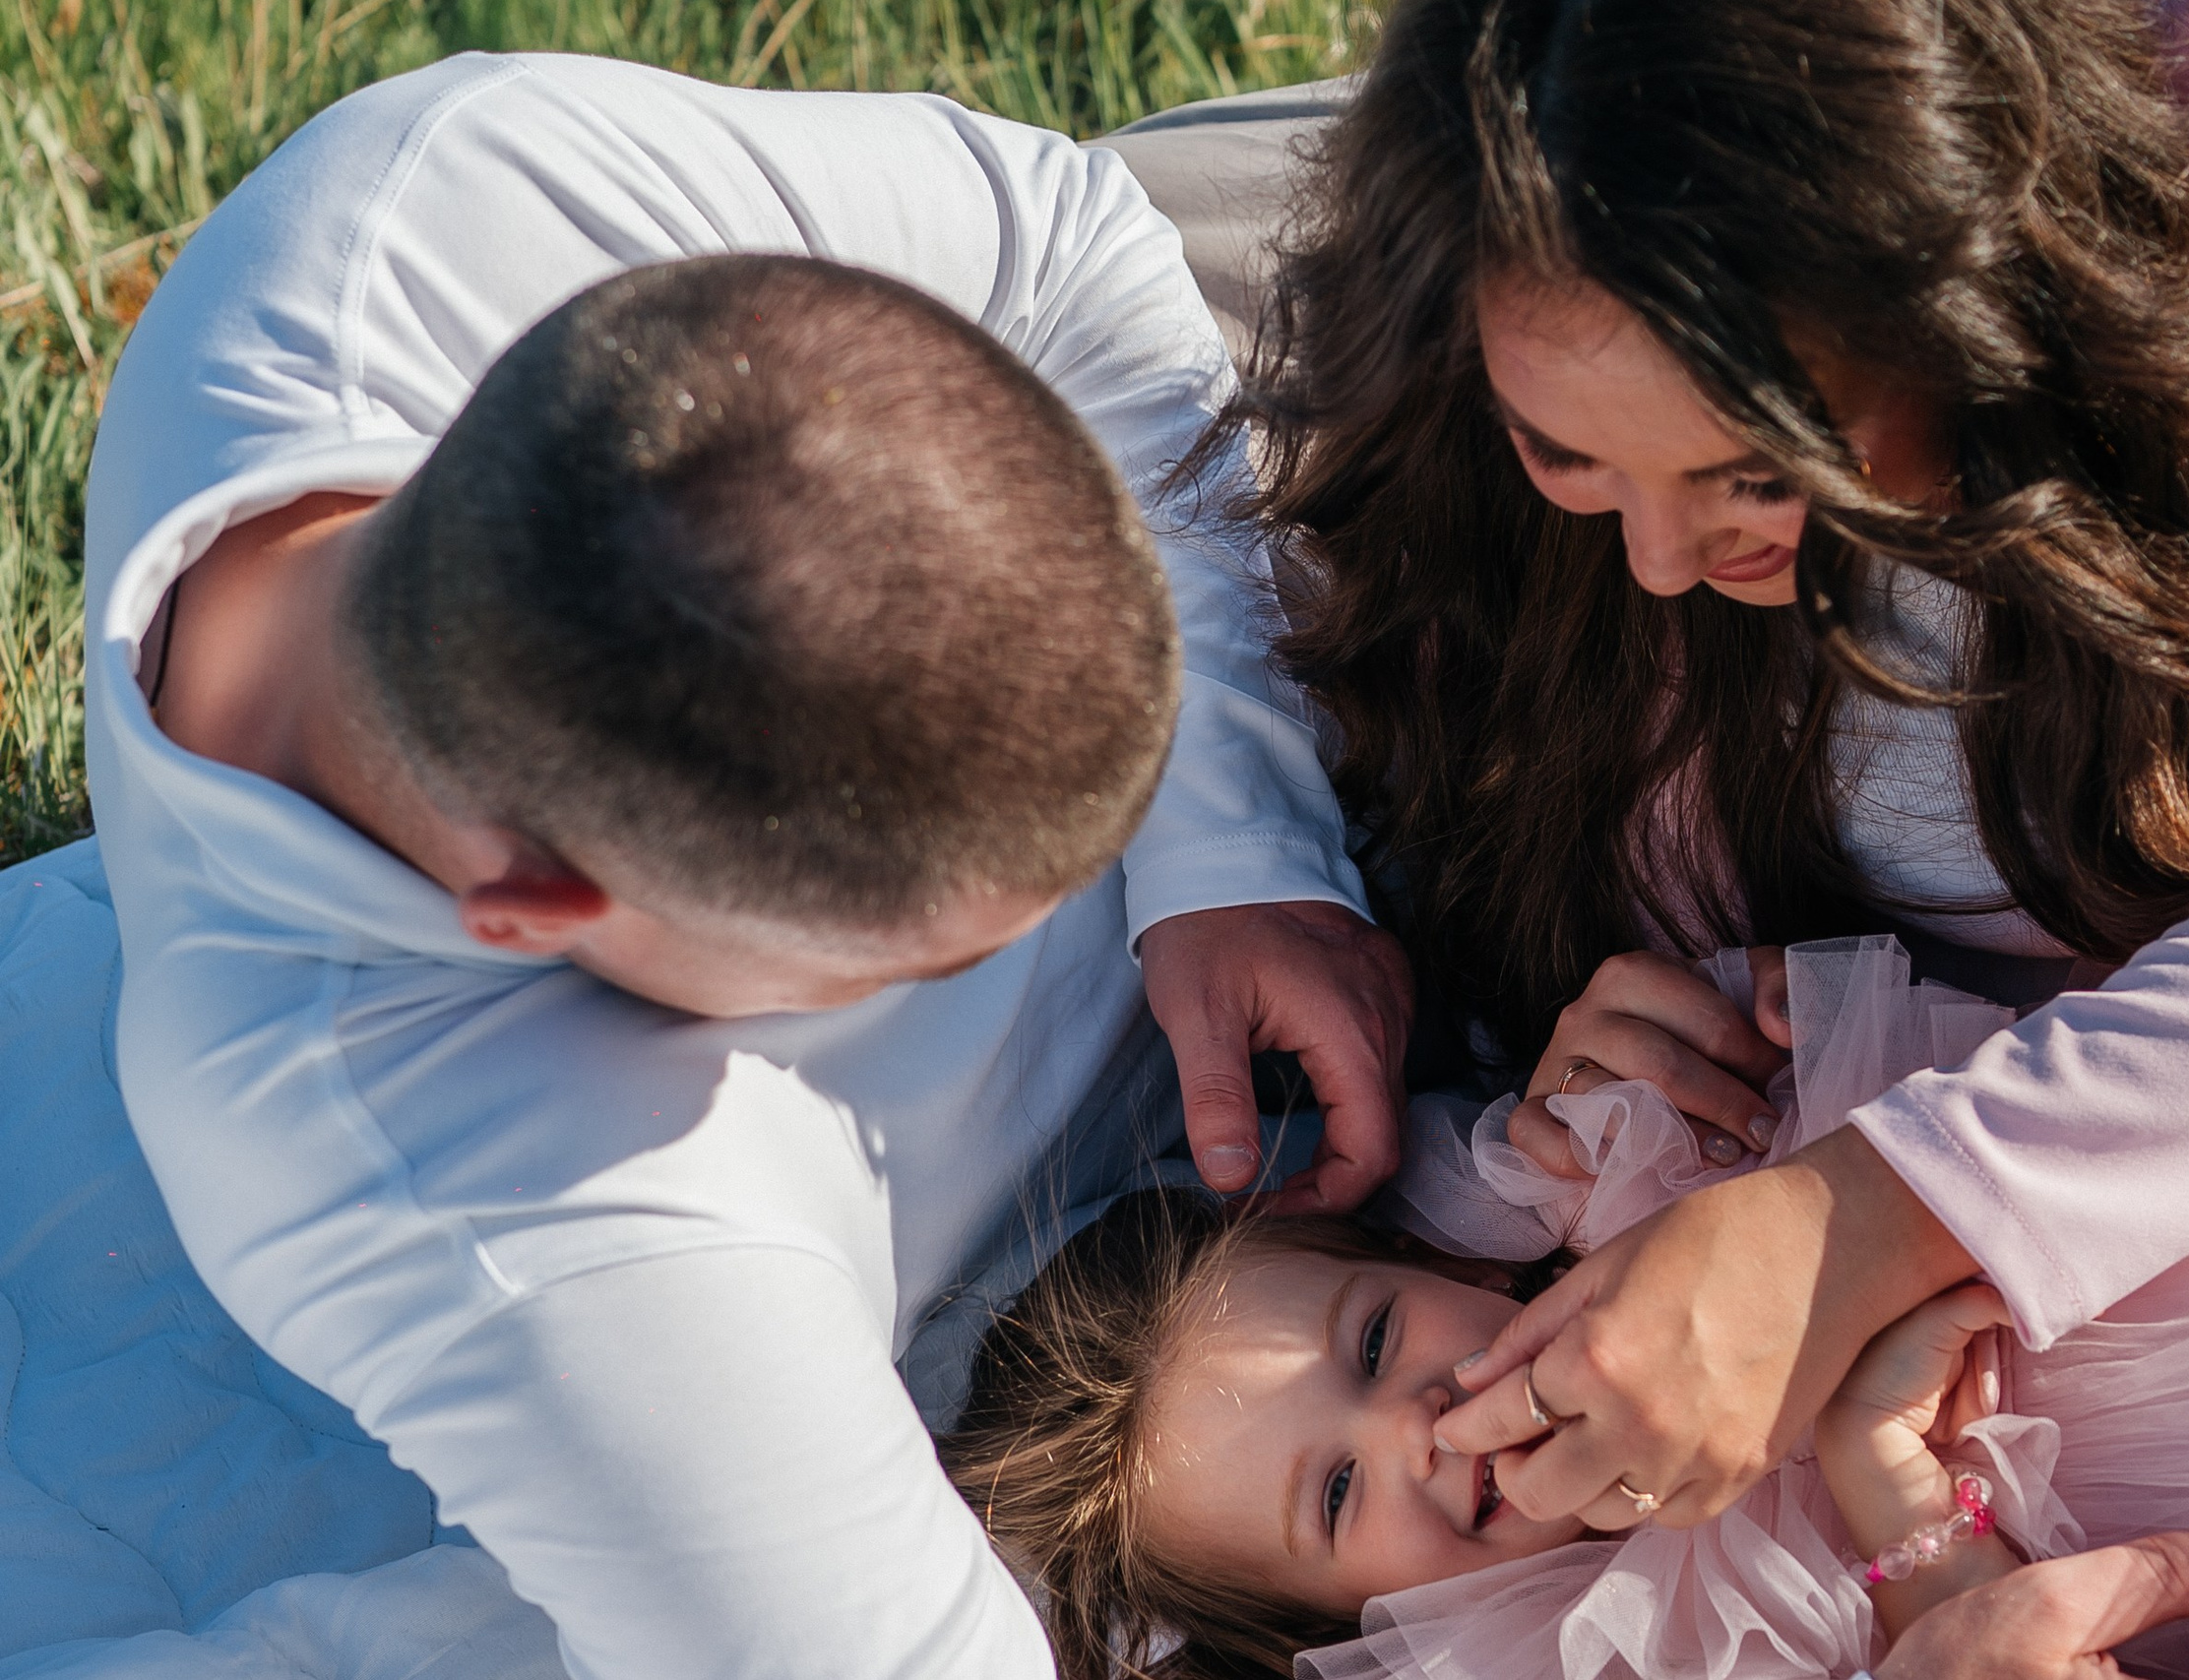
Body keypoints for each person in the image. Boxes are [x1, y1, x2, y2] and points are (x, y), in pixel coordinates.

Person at [80, 52, 1413, 1678]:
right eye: (913, 965)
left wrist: (1229, 844)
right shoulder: (507, 1207)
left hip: (1274, 546)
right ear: (537, 913)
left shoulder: (432, 202)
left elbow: (1070, 246)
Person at [1215, 0, 2189, 1552]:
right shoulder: (1472, 283)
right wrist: (1566, 1083)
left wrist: (1867, 1217)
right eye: (1567, 451)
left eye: (1759, 474)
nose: (1659, 556)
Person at [937, 939, 2189, 1679]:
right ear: (1344, 1626)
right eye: (1337, 1494)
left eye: (1372, 1343)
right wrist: (1910, 1545)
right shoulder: (1596, 1661)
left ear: (1446, 1271)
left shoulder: (1641, 1200)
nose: (1414, 1427)